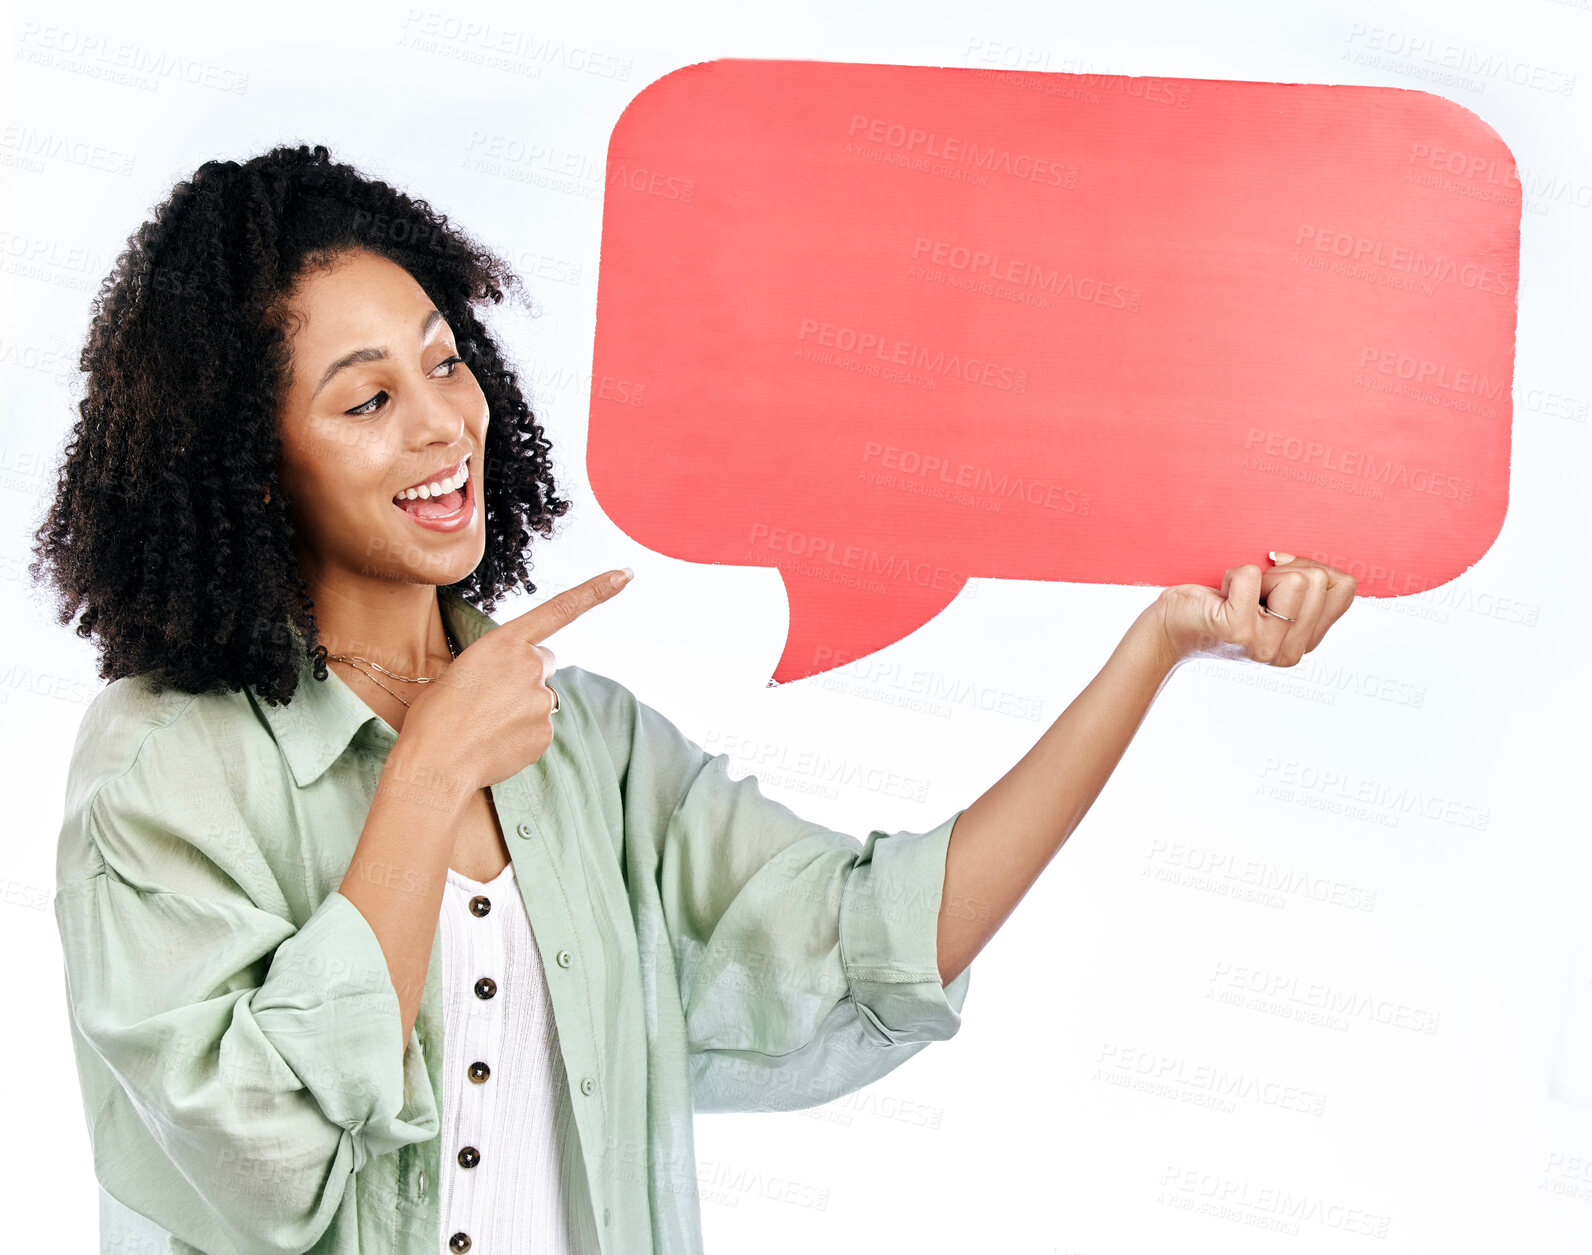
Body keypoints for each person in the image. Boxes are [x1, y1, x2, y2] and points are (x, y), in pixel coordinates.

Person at [30, 143, 1357, 1255]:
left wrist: (1158, 647)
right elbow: (268, 1163)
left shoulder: (586, 747)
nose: (443, 422)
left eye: (446, 361)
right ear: (253, 468)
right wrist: (428, 774)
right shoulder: (161, 772)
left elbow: (865, 940)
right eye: (368, 398)